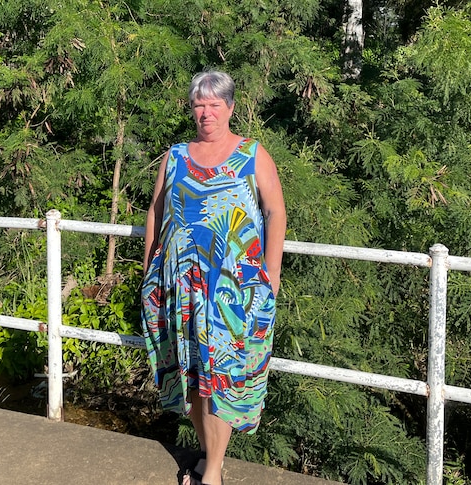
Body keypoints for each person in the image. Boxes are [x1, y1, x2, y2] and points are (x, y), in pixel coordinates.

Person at [140, 70, 287, 485]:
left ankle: (214, 472)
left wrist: (270, 275)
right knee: (189, 378)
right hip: (178, 286)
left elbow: (276, 212)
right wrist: (150, 267)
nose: (206, 113)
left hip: (232, 290)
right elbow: (156, 210)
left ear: (230, 108)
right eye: (199, 105)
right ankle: (206, 457)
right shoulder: (176, 156)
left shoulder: (252, 154)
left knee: (220, 379)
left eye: (214, 105)